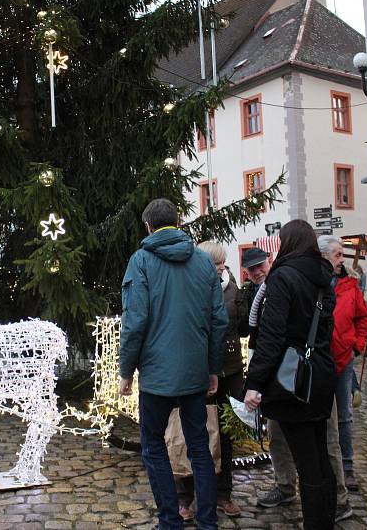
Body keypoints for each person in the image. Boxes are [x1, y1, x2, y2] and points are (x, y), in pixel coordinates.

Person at [119, 198, 228, 530]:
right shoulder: (203, 263)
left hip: (156, 377)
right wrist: (212, 367)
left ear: (148, 226)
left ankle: (170, 520)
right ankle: (207, 521)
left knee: (154, 445)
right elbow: (218, 321)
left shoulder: (141, 262)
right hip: (195, 373)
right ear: (177, 223)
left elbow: (135, 322)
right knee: (199, 446)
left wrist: (126, 371)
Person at [244, 219, 337, 530]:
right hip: (321, 372)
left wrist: (254, 382)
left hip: (292, 378)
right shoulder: (324, 276)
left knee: (307, 462)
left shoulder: (284, 278)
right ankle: (327, 517)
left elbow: (271, 337)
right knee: (320, 457)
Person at [175, 241, 246, 520]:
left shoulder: (232, 287)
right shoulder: (192, 289)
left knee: (226, 435)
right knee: (194, 433)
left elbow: (240, 327)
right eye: (214, 262)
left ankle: (223, 493)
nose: (220, 267)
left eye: (222, 262)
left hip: (229, 369)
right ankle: (186, 497)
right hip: (198, 370)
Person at [318, 235, 367, 492]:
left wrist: (357, 344)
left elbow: (363, 317)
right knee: (321, 413)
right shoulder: (315, 282)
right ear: (324, 255)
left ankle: (347, 466)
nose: (341, 260)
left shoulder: (350, 286)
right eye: (337, 254)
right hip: (320, 358)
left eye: (342, 254)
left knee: (345, 416)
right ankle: (324, 464)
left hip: (343, 358)